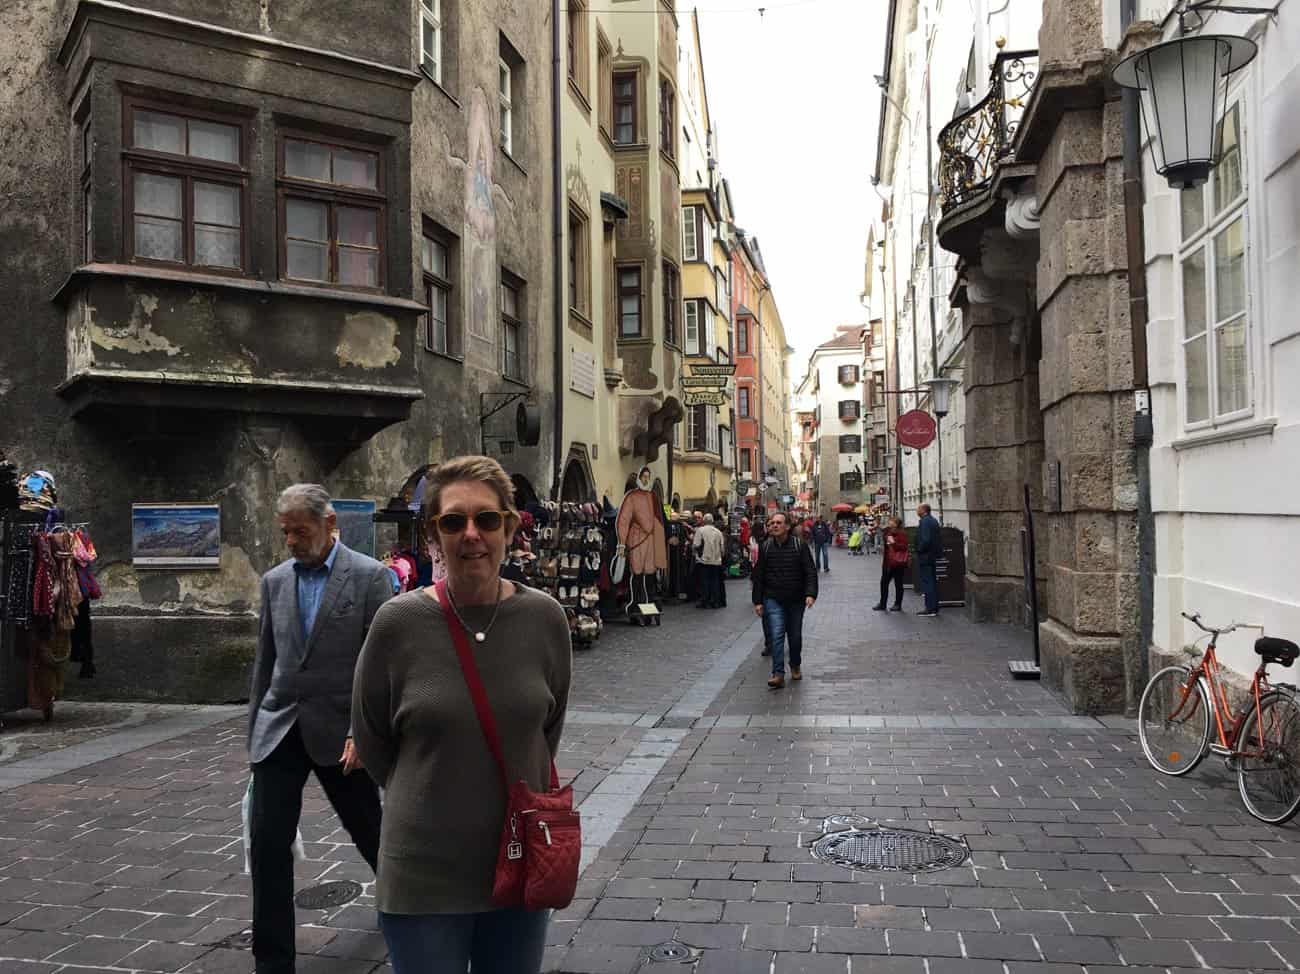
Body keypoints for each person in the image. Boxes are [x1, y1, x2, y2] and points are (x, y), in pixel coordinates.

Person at [352, 455, 572, 974]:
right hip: (422, 873)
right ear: (434, 535)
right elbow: (372, 738)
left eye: (486, 519)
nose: (471, 534)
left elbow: (546, 732)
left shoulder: (544, 619)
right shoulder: (397, 623)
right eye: (453, 521)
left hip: (519, 862)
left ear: (510, 528)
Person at [247, 484, 393, 974]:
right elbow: (265, 662)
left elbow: (379, 666)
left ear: (330, 524)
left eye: (301, 531)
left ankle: (403, 907)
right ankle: (272, 962)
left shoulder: (371, 577)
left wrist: (361, 731)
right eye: (285, 532)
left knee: (369, 830)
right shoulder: (274, 581)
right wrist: (254, 735)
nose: (291, 541)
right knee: (268, 844)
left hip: (342, 732)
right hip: (280, 728)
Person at [751, 512, 818, 689]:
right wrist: (758, 601)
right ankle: (778, 673)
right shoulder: (766, 547)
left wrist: (810, 594)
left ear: (787, 526)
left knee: (794, 637)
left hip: (796, 599)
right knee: (776, 634)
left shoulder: (799, 545)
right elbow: (759, 575)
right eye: (772, 523)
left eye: (778, 523)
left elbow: (810, 571)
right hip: (773, 598)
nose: (774, 525)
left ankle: (795, 664)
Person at [873, 516, 909, 611]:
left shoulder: (902, 533)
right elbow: (884, 538)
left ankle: (898, 604)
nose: (889, 522)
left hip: (897, 562)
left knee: (898, 583)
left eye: (891, 521)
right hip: (888, 562)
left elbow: (904, 547)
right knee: (883, 583)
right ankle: (882, 603)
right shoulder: (888, 531)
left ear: (896, 524)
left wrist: (893, 543)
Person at [693, 513, 726, 608]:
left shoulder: (700, 530)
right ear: (712, 521)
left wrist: (695, 555)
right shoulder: (718, 532)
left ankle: (705, 601)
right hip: (716, 561)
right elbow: (722, 549)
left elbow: (696, 545)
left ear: (704, 521)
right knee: (715, 581)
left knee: (704, 581)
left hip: (704, 560)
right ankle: (715, 601)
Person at [915, 503, 942, 617]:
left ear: (923, 510)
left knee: (927, 582)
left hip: (925, 556)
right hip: (932, 555)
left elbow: (926, 539)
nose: (916, 510)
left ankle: (930, 608)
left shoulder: (925, 521)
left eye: (918, 508)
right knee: (932, 581)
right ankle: (934, 607)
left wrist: (919, 549)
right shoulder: (933, 520)